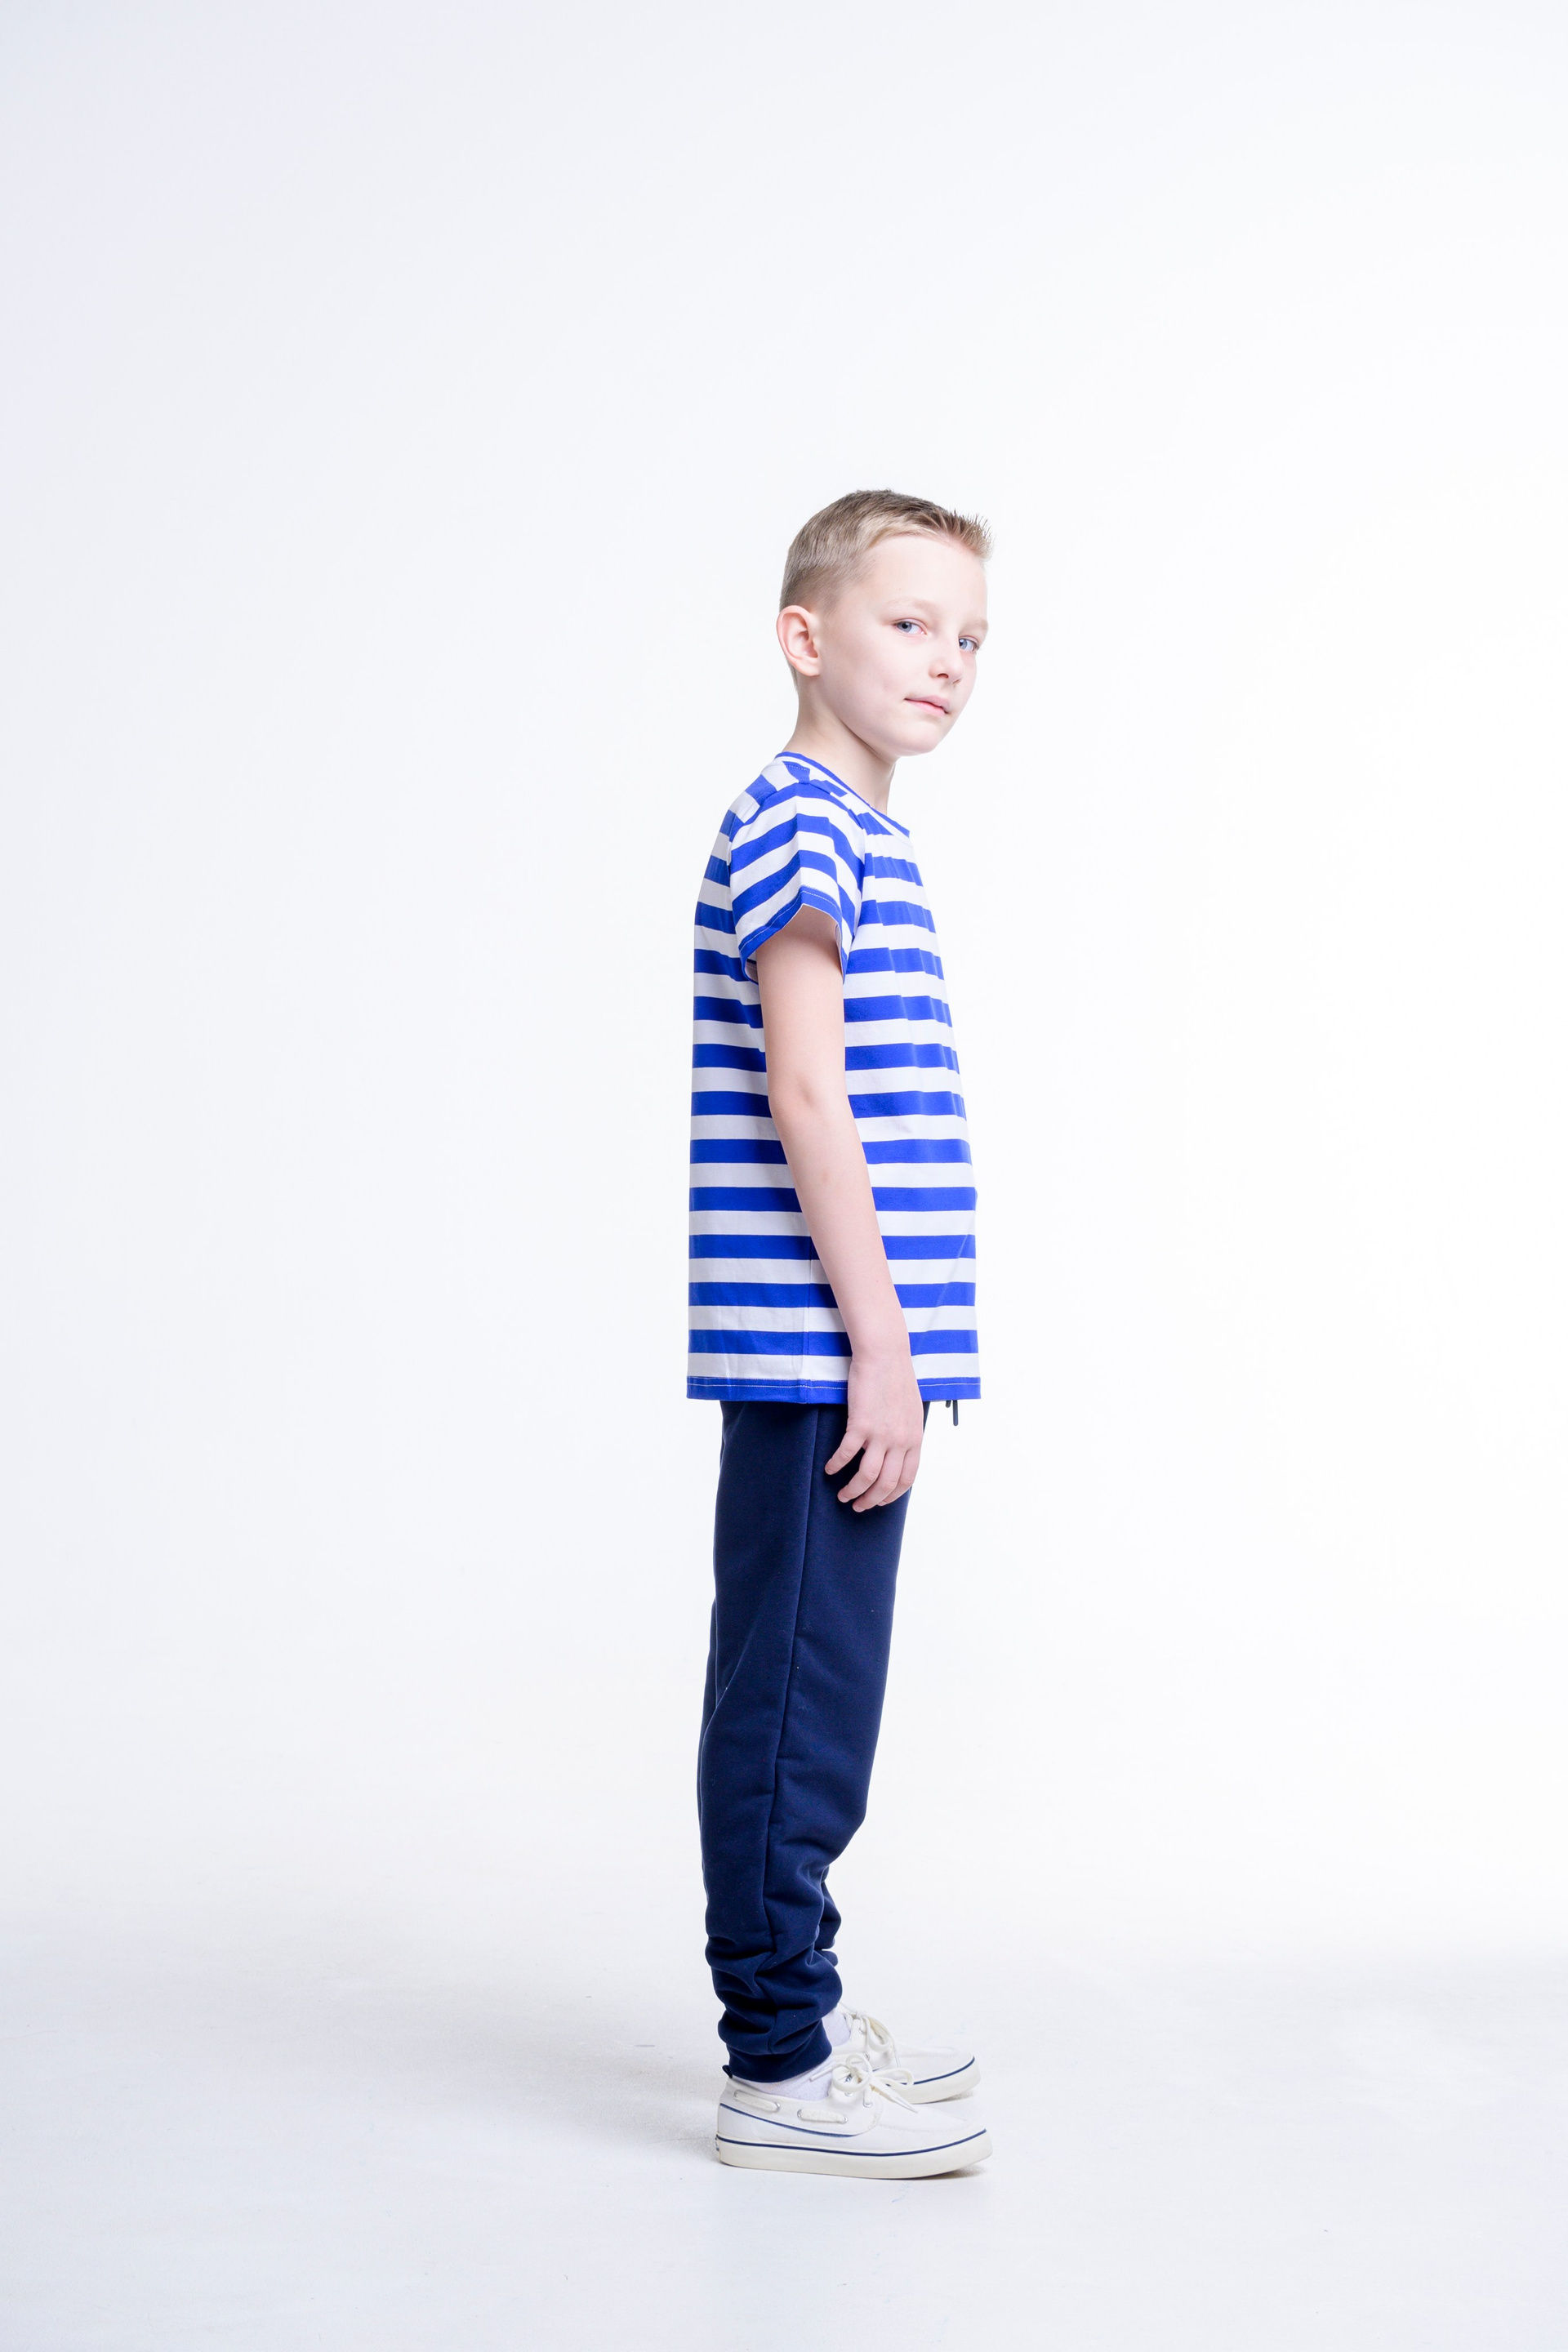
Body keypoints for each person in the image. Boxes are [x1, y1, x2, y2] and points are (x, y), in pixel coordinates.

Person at [689, 490, 993, 2177]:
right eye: (910, 621)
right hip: (825, 1358)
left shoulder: (858, 835)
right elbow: (807, 1093)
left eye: (971, 636)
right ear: (806, 637)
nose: (947, 659)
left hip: (854, 1357)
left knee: (822, 1694)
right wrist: (882, 1346)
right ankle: (780, 2065)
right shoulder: (801, 825)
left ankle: (799, 2016)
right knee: (797, 1706)